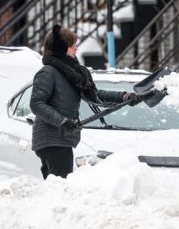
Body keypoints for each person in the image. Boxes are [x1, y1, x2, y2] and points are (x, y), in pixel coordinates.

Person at [30, 25, 138, 179]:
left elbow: (95, 95)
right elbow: (36, 104)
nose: (76, 47)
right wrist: (62, 122)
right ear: (62, 48)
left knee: (55, 188)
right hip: (52, 139)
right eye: (72, 44)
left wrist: (123, 97)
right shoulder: (49, 72)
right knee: (60, 188)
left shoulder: (72, 73)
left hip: (61, 139)